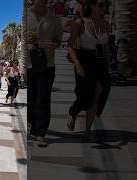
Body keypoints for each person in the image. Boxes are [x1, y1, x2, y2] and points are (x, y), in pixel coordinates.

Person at [67, 0, 111, 141]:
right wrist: (77, 64)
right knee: (85, 96)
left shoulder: (105, 24)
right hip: (84, 60)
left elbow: (106, 48)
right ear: (91, 6)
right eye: (99, 5)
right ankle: (73, 112)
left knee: (98, 94)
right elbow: (70, 46)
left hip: (99, 62)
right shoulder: (80, 23)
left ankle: (87, 131)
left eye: (104, 5)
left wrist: (108, 65)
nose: (102, 8)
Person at [27, 0, 63, 147]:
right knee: (30, 99)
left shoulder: (54, 18)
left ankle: (40, 133)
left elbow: (58, 41)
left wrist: (49, 43)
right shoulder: (26, 16)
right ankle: (30, 124)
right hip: (28, 64)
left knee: (43, 99)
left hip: (47, 64)